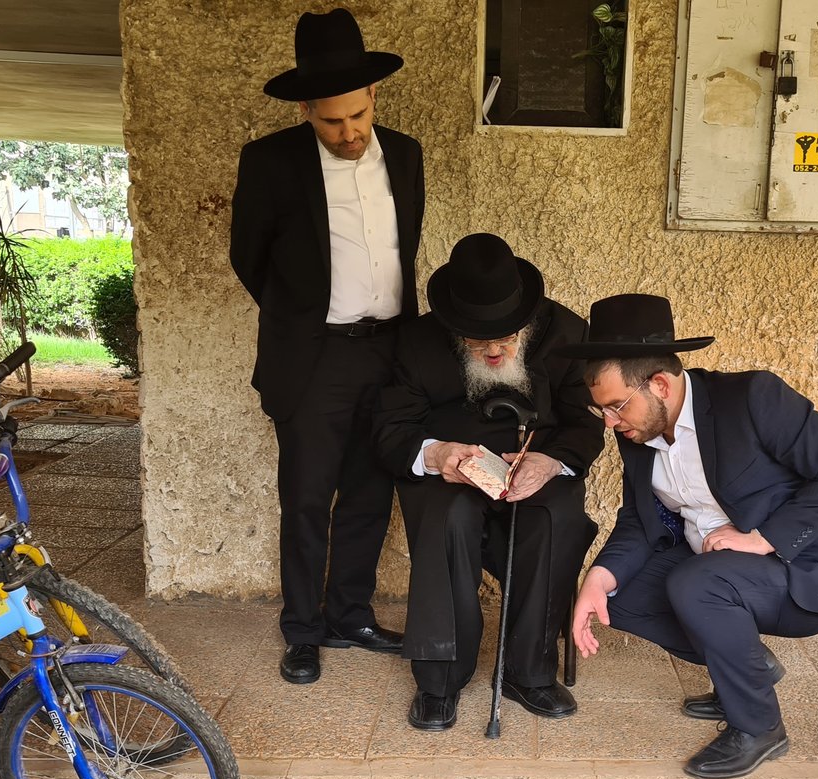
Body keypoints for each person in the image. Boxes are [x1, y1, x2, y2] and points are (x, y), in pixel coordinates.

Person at [560, 294, 818, 779]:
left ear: (660, 384)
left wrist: (764, 537)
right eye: (601, 410)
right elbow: (639, 520)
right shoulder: (638, 434)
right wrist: (598, 578)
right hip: (714, 566)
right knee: (623, 595)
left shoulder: (751, 398)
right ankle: (747, 671)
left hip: (801, 571)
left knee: (695, 583)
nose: (610, 423)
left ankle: (759, 727)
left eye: (616, 407)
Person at [229, 8, 425, 684]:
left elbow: (404, 246)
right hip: (315, 358)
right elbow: (249, 258)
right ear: (306, 109)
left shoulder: (405, 154)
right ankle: (303, 629)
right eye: (331, 121)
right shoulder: (270, 162)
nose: (348, 132)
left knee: (371, 494)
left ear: (373, 93)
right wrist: (303, 316)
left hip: (391, 351)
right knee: (308, 498)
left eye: (358, 115)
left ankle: (350, 615)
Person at [375, 233, 603, 731]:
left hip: (536, 468)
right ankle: (439, 679)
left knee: (555, 516)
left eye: (507, 337)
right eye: (478, 342)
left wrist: (550, 462)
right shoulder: (417, 342)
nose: (496, 351)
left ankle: (528, 671)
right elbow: (391, 429)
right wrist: (436, 454)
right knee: (447, 516)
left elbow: (586, 426)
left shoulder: (566, 333)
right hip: (452, 474)